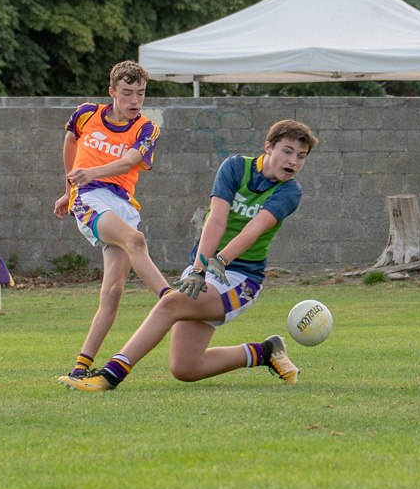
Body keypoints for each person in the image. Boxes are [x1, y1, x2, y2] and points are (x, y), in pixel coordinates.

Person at [59, 119, 317, 392]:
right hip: (204, 267)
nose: (294, 161)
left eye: (301, 156)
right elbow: (216, 221)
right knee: (186, 368)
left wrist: (221, 261)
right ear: (268, 147)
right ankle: (266, 351)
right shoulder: (235, 167)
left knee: (170, 304)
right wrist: (198, 269)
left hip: (241, 279)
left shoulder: (290, 190)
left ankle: (110, 376)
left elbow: (253, 230)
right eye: (287, 151)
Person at [54, 61, 173, 378]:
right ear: (112, 92)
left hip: (123, 205)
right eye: (127, 93)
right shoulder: (86, 114)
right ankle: (171, 299)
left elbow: (130, 161)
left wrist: (89, 171)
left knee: (113, 292)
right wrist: (69, 190)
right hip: (89, 197)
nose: (134, 101)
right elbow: (70, 142)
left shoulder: (147, 128)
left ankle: (80, 368)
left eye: (141, 93)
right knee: (136, 240)